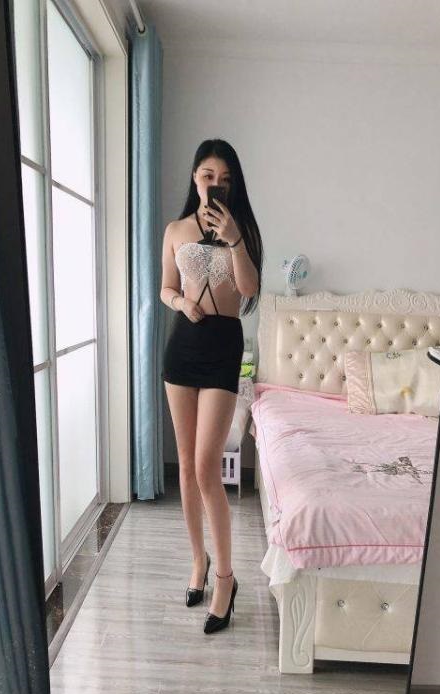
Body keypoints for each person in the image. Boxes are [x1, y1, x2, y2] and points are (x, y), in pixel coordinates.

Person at [160, 138, 263, 634]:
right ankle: (198, 561)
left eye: (224, 178)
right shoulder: (175, 230)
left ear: (232, 184)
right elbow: (166, 287)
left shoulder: (242, 230)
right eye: (207, 175)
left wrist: (234, 238)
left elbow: (249, 290)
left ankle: (225, 577)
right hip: (182, 346)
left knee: (206, 468)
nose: (214, 184)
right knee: (185, 466)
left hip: (223, 347)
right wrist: (182, 303)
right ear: (194, 178)